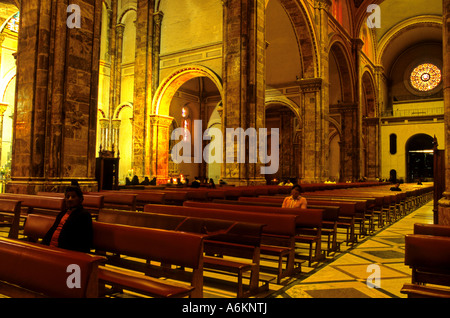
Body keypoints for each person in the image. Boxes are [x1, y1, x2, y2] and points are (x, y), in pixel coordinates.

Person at [42, 186, 93, 253]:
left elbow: (82, 241)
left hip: (66, 252)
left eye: (73, 197)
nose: (69, 199)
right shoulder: (62, 213)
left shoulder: (84, 215)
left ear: (80, 199)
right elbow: (52, 231)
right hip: (52, 248)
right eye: (67, 197)